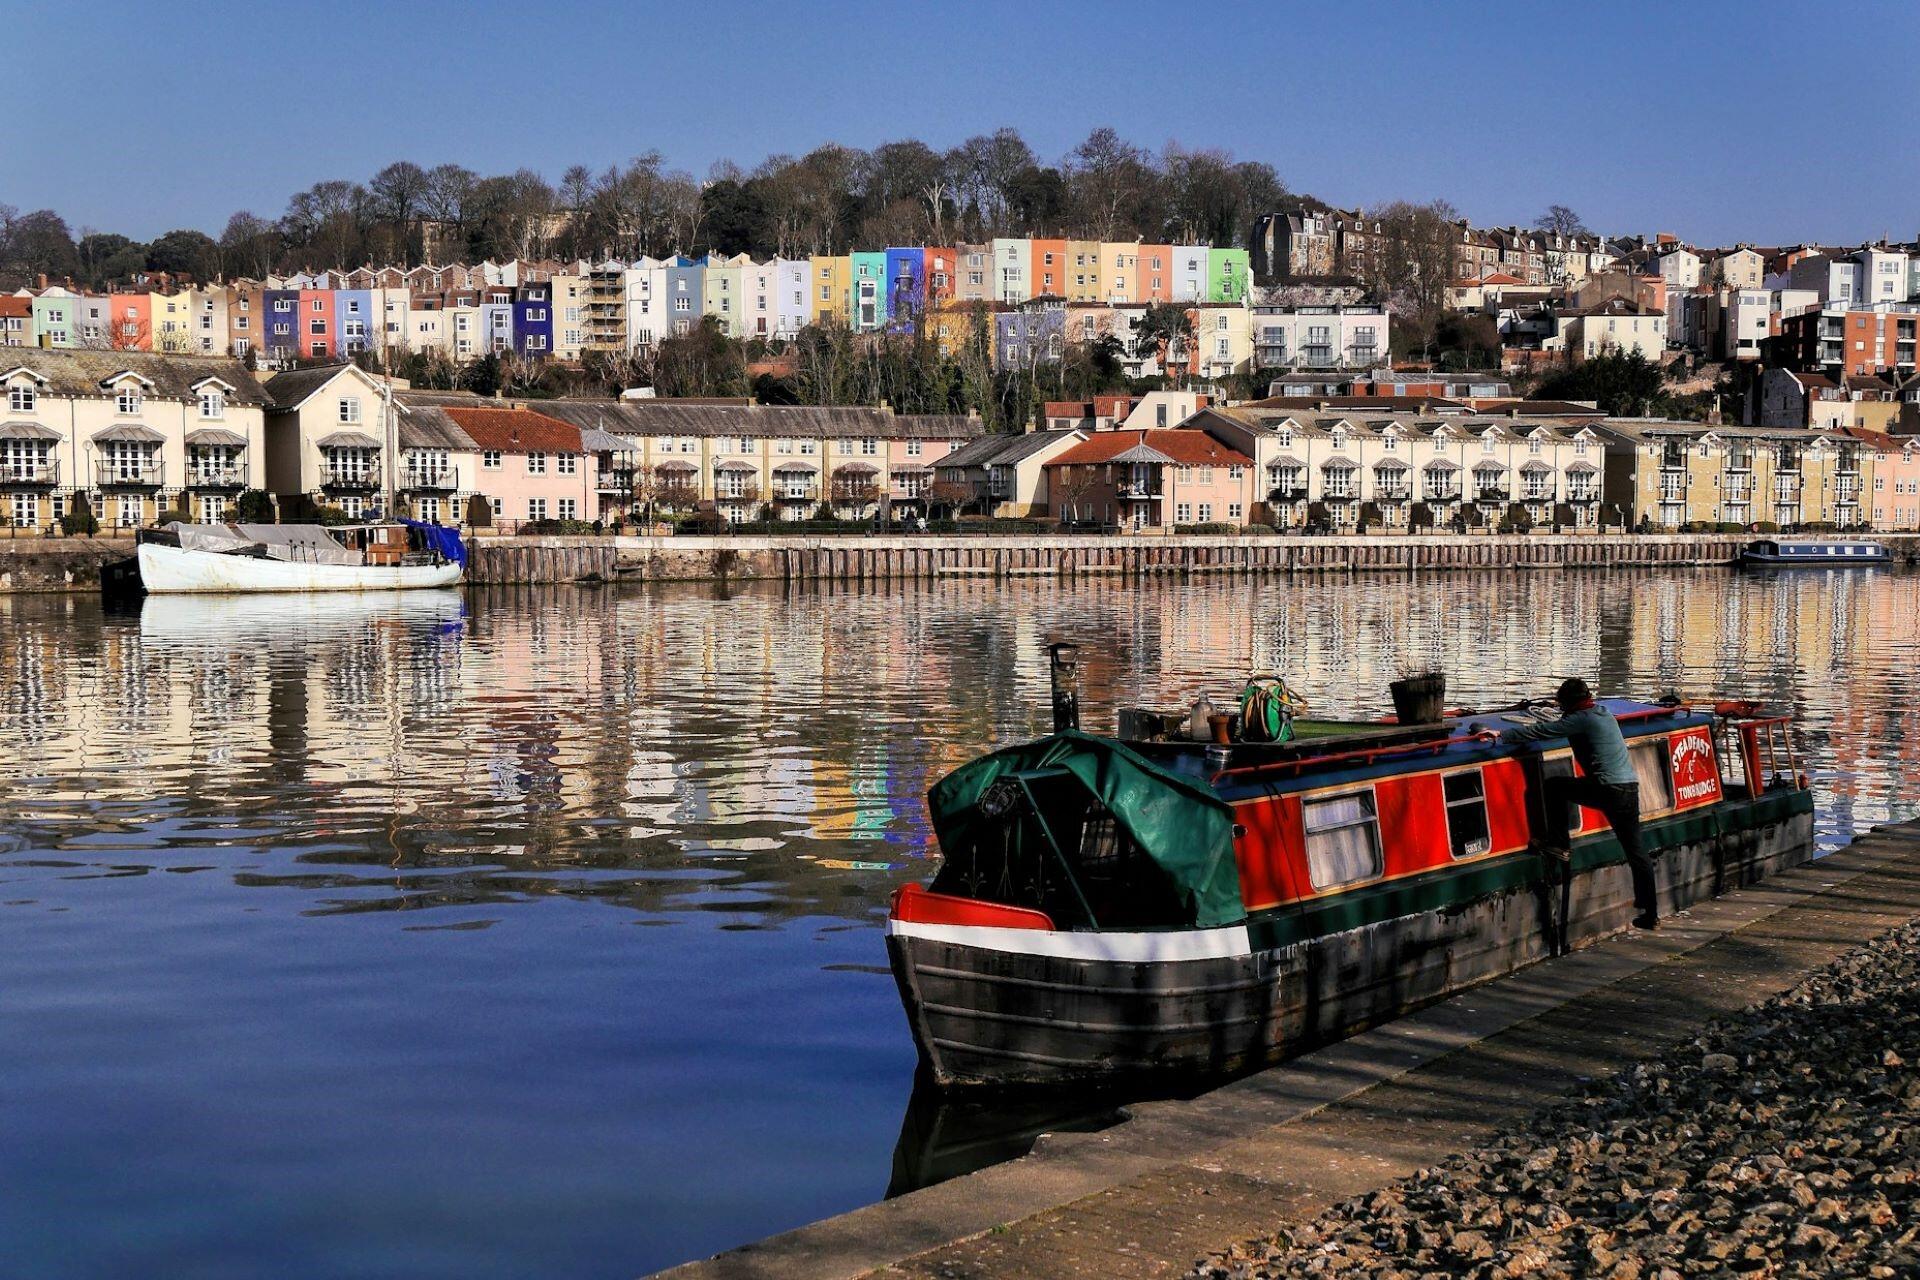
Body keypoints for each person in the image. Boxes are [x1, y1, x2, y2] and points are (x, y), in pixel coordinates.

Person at [1499, 678, 1657, 929]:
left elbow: (1542, 731)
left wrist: (1501, 735)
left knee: (1554, 787)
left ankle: (1559, 844)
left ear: (1569, 702)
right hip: (1629, 788)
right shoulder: (1603, 713)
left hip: (1607, 787)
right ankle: (1650, 914)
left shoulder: (1580, 719)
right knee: (1637, 852)